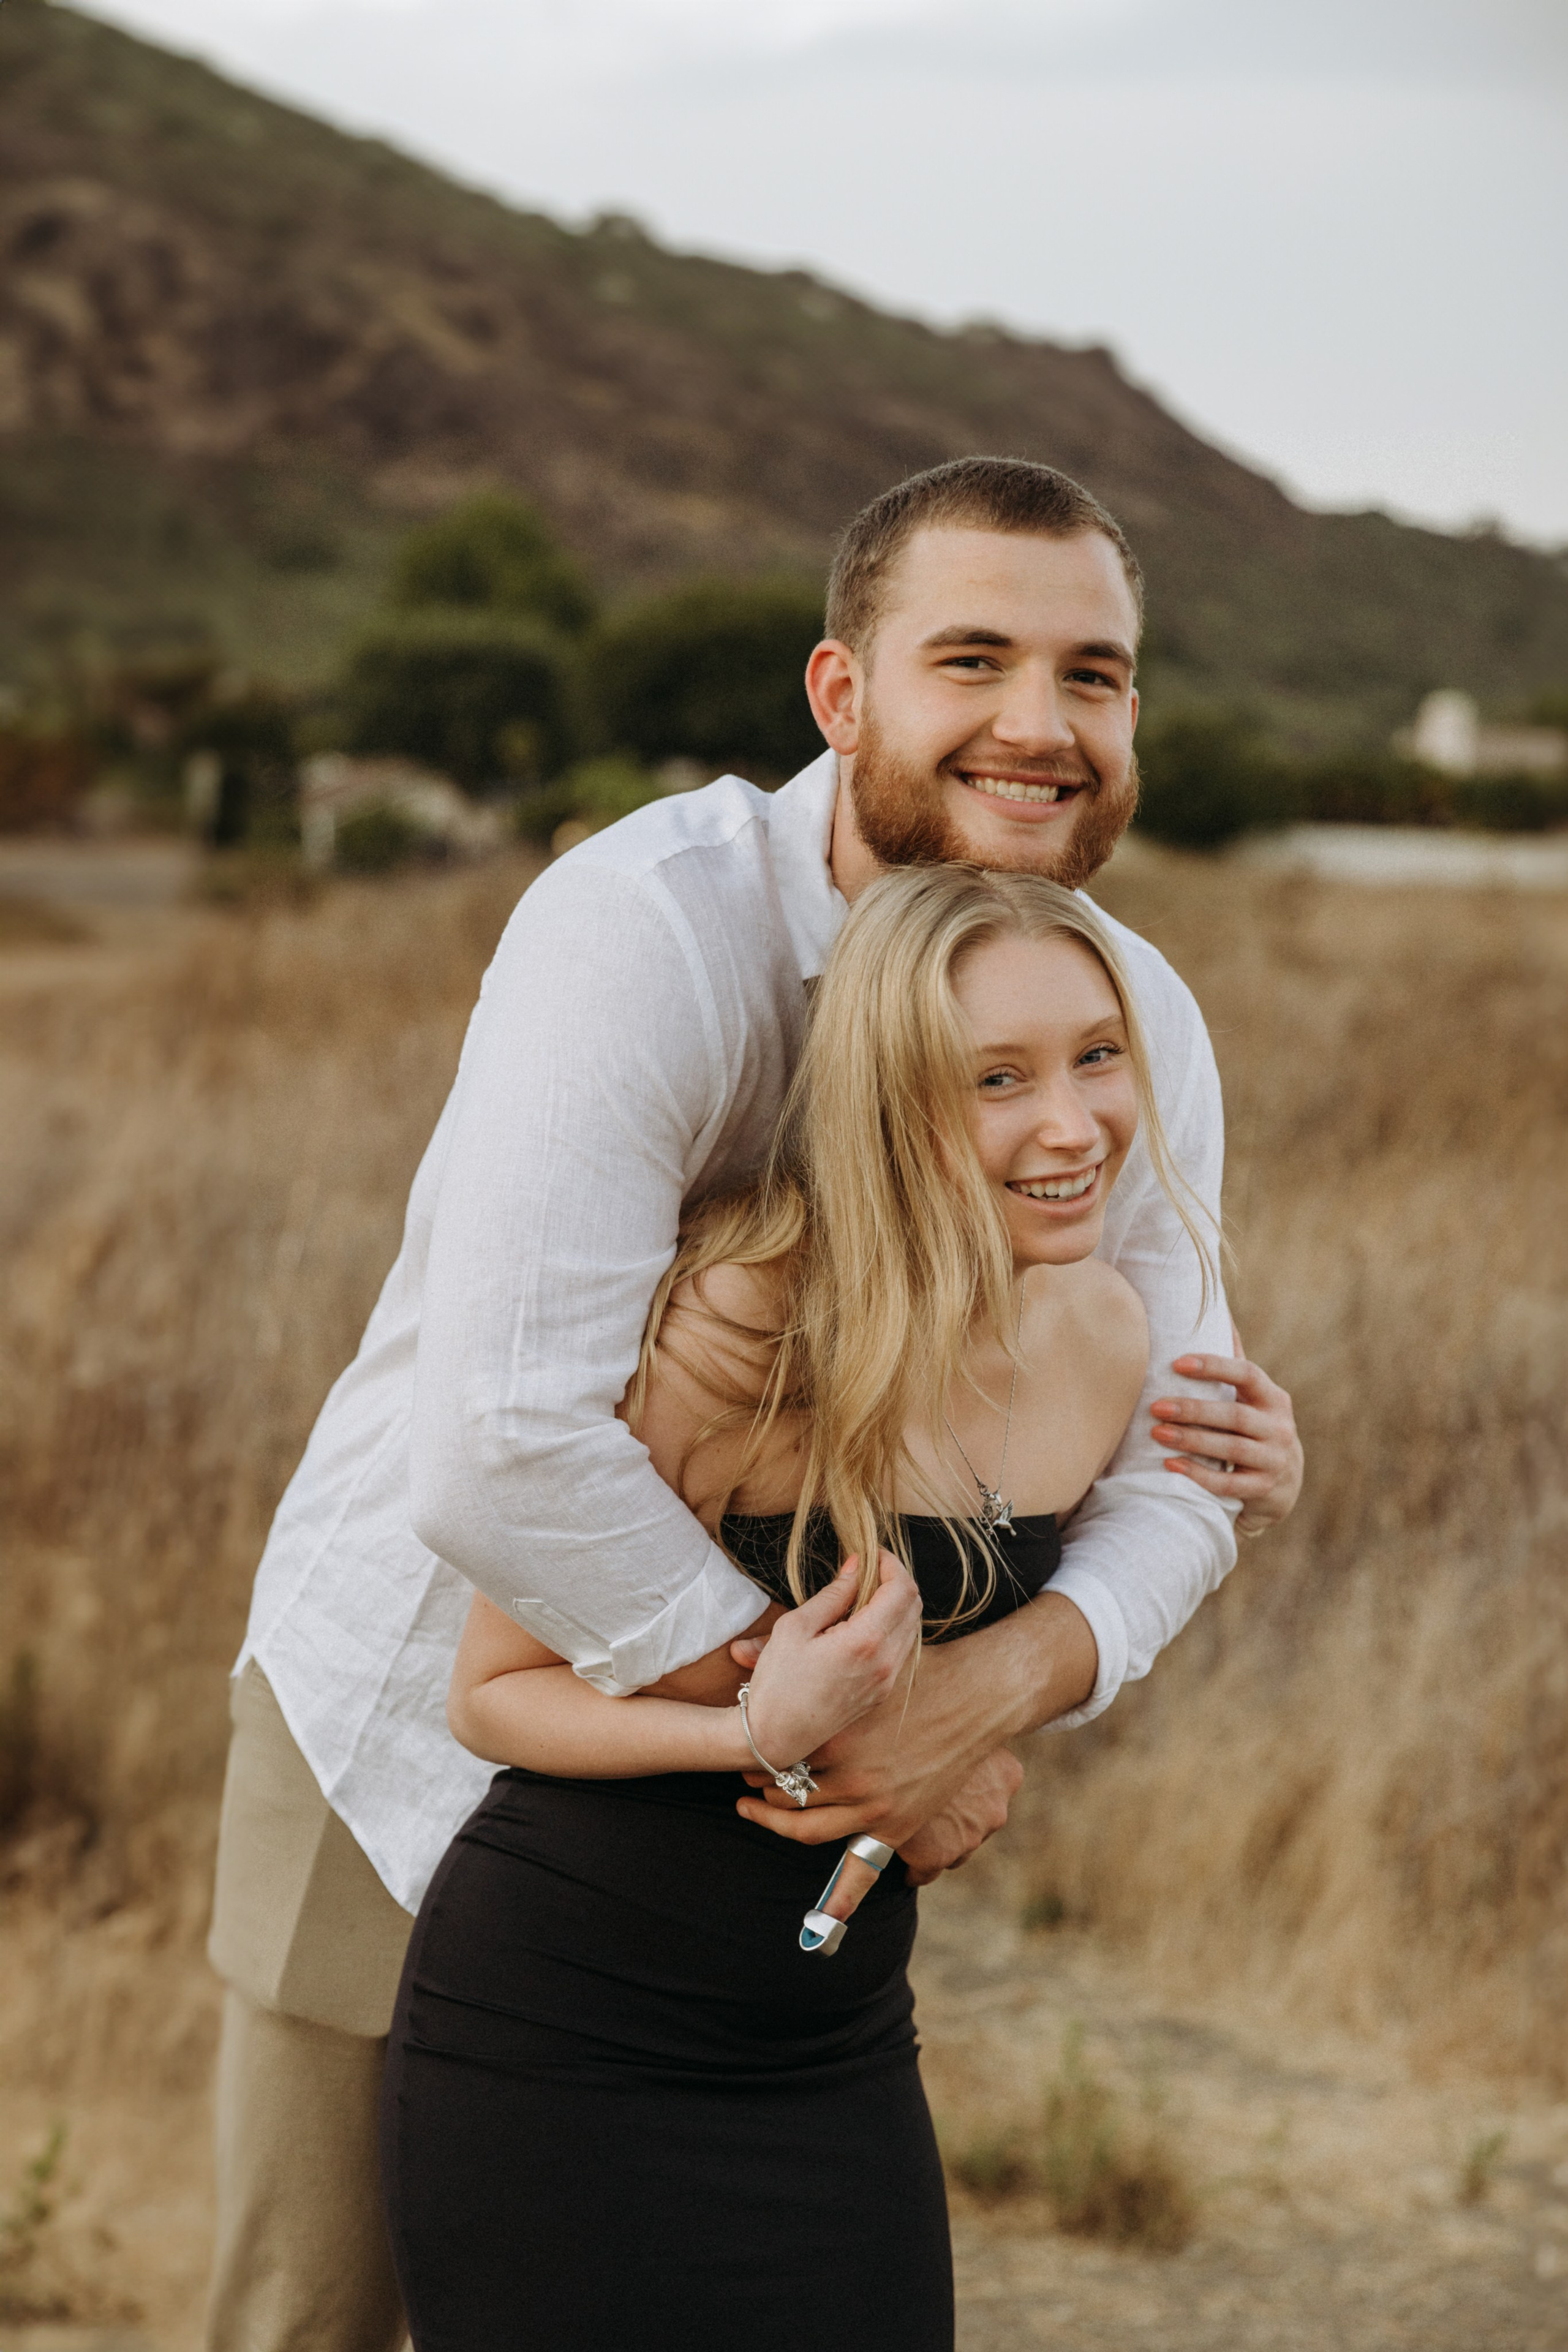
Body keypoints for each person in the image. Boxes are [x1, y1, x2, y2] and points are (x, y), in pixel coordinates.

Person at [203, 457, 1303, 2351]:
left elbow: (1182, 1466)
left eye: (1096, 674)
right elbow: (508, 1451)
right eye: (975, 660)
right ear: (841, 694)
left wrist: (986, 1694)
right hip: (417, 1718)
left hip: (753, 1898)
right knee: (313, 2318)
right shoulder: (643, 930)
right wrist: (840, 1733)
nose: (1042, 726)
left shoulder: (1124, 1018)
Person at [381, 865, 1198, 2350]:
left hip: (833, 2047)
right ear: (889, 1099)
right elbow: (489, 1694)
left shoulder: (1101, 1337)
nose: (1073, 1125)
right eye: (996, 1079)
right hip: (563, 2038)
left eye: (1096, 1056)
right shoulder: (750, 1318)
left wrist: (1250, 1487)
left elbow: (1096, 1580)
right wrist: (761, 1735)